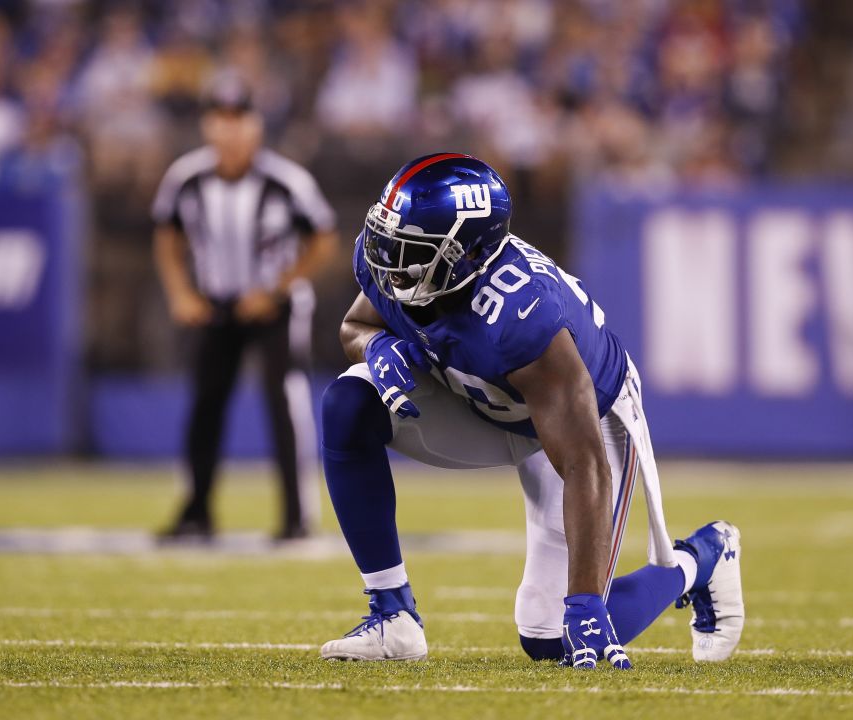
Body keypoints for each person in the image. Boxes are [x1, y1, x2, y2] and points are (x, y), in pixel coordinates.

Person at [317, 154, 745, 667]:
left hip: (585, 421)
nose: (388, 258)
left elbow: (584, 462)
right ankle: (393, 615)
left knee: (552, 639)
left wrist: (584, 603)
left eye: (412, 249)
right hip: (479, 394)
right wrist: (375, 348)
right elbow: (355, 326)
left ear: (468, 254)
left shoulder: (522, 319)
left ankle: (700, 558)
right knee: (348, 403)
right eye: (389, 238)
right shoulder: (390, 260)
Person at [151, 74, 339, 542]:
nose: (230, 130)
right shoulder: (186, 177)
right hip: (215, 304)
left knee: (285, 404)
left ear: (256, 125)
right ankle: (197, 509)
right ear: (207, 125)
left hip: (275, 308)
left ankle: (296, 516)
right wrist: (180, 293)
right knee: (205, 406)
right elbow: (166, 234)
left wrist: (278, 288)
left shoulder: (285, 180)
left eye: (239, 119)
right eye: (221, 119)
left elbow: (324, 238)